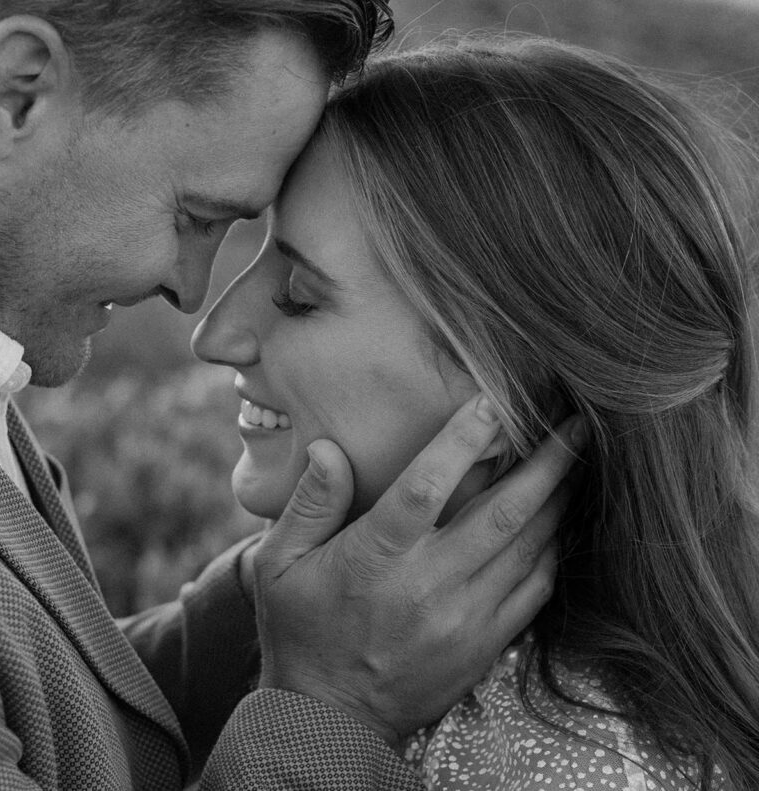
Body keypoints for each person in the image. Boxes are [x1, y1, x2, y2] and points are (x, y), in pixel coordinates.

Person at [0, 3, 582, 789]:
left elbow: (11, 704)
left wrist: (285, 606)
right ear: (17, 95)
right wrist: (331, 710)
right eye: (196, 216)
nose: (192, 294)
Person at [193, 36, 759, 790]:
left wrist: (319, 710)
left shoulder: (571, 768)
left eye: (298, 295)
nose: (216, 334)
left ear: (508, 382)